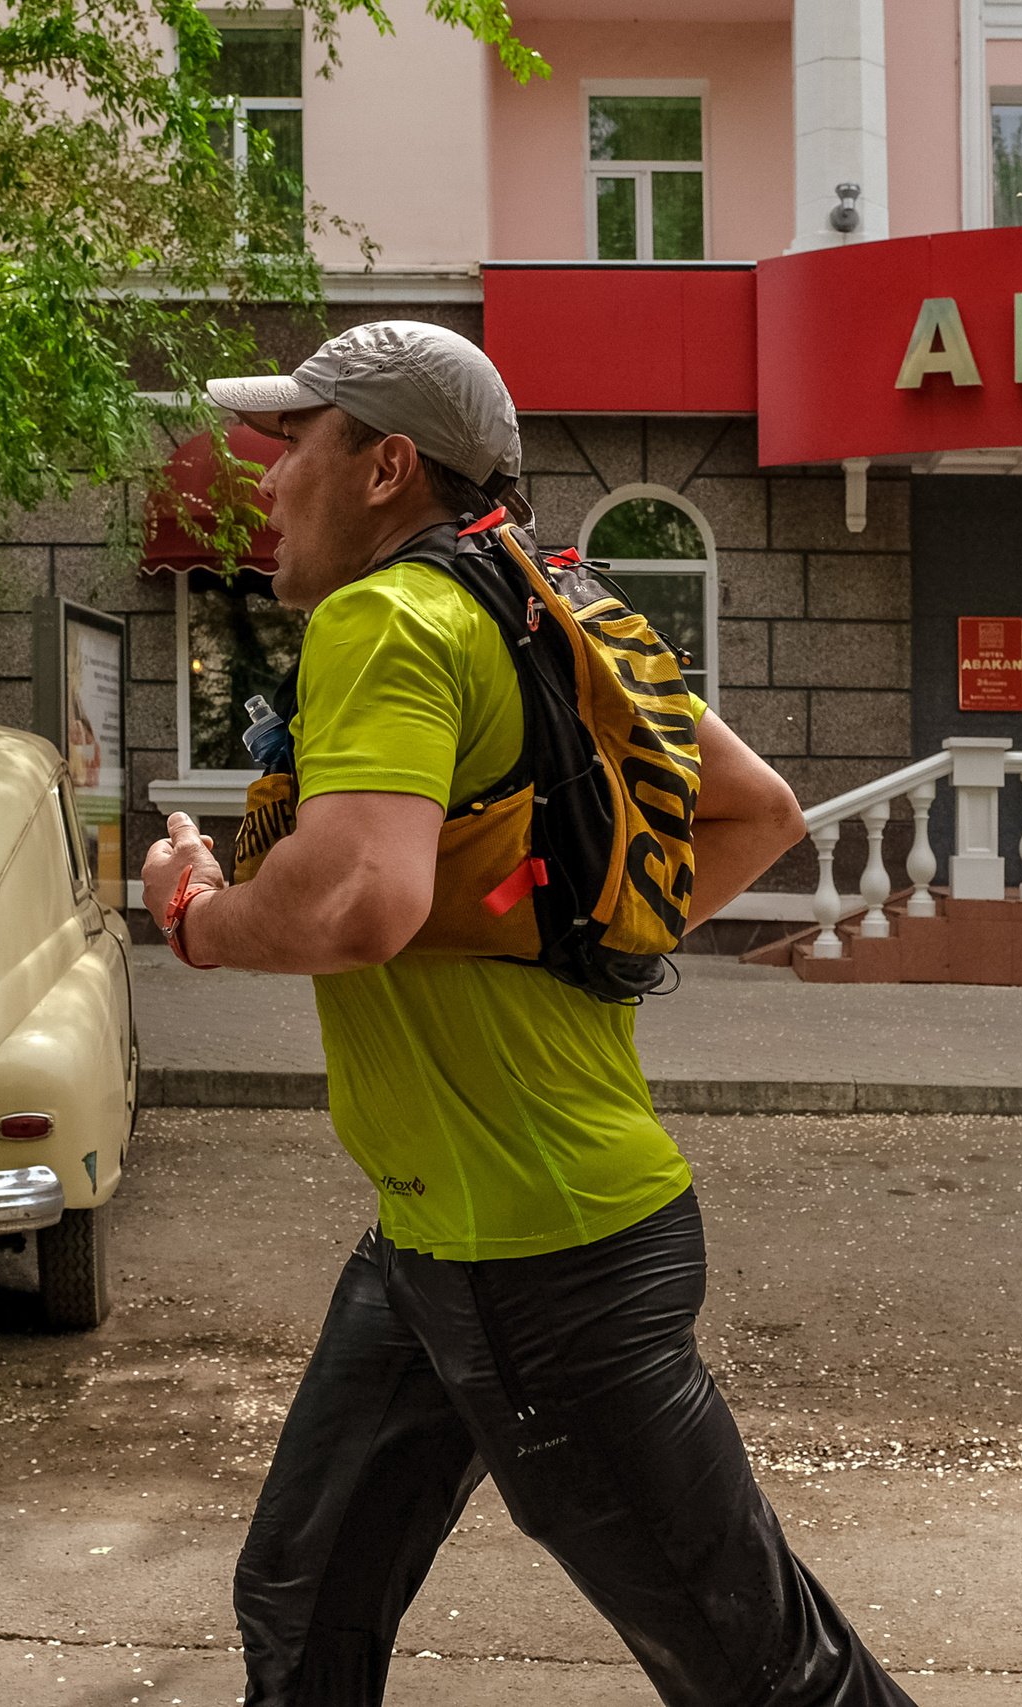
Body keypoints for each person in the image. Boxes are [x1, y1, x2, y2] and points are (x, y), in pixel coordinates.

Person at [139, 321, 912, 1707]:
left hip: (545, 1264)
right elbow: (758, 810)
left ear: (384, 467)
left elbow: (357, 898)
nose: (262, 478)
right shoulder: (560, 604)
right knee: (302, 1594)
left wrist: (194, 920)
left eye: (291, 442)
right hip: (435, 1242)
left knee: (766, 1673)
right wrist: (571, 932)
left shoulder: (384, 616)